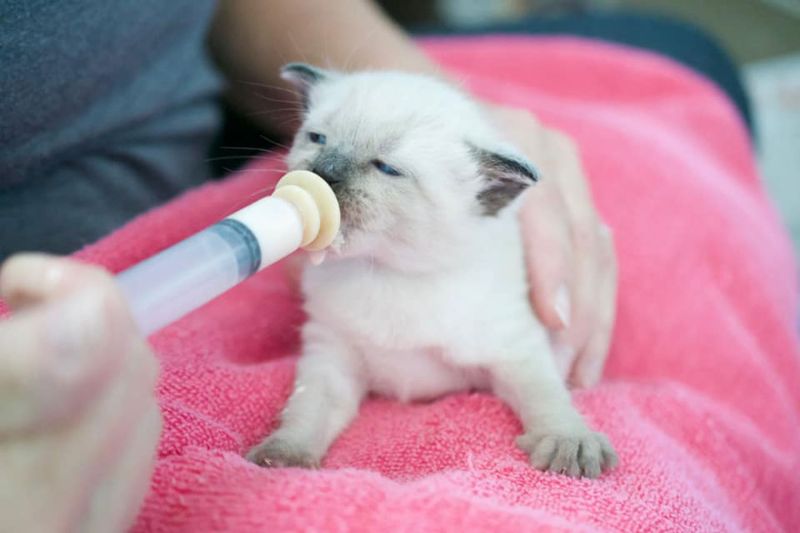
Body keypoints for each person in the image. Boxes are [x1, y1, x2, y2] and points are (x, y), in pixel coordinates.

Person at [0, 1, 751, 530]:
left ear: (488, 195)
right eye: (316, 141)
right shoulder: (333, 274)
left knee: (696, 54)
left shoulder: (480, 269)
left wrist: (556, 420)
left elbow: (518, 353)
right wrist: (299, 442)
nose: (326, 176)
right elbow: (333, 361)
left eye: (384, 170)